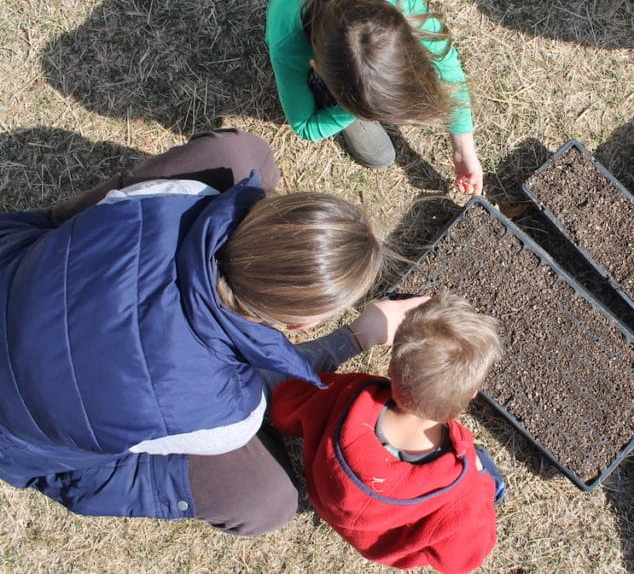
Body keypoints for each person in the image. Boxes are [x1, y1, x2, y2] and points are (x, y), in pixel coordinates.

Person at [0, 128, 423, 536]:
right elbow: (258, 388)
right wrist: (356, 337)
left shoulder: (177, 200)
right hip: (18, 437)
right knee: (267, 500)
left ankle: (59, 227)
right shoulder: (229, 415)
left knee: (240, 157)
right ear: (300, 326)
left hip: (18, 276)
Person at [270, 291, 505, 574]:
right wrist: (475, 474)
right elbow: (465, 558)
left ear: (391, 368)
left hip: (328, 497)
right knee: (486, 475)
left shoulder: (348, 395)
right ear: (470, 396)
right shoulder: (460, 493)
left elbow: (285, 405)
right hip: (381, 544)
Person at [265, 0, 484, 195]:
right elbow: (306, 126)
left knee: (381, 151)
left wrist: (463, 150)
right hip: (289, 9)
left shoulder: (396, 3)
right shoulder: (288, 47)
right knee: (380, 155)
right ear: (316, 68)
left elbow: (448, 69)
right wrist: (354, 110)